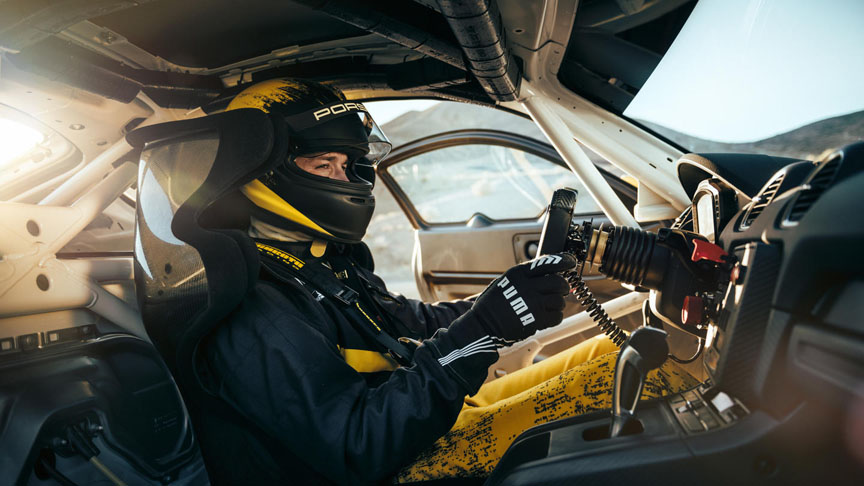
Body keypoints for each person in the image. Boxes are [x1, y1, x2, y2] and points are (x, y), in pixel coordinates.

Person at [201, 78, 697, 484]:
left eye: (348, 165)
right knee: (650, 381)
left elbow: (407, 324)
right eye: (321, 165)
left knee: (611, 355)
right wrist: (480, 332)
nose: (346, 181)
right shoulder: (256, 306)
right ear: (259, 171)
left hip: (413, 420)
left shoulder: (321, 260)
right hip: (394, 463)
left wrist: (500, 302)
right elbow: (357, 448)